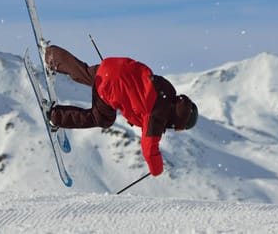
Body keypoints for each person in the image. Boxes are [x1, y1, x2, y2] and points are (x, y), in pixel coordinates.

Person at [44, 45, 198, 177]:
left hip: (114, 67)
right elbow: (149, 148)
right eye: (179, 128)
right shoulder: (157, 116)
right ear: (178, 121)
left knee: (85, 73)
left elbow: (141, 88)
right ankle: (55, 116)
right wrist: (157, 169)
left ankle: (52, 55)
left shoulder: (167, 91)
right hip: (112, 87)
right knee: (102, 119)